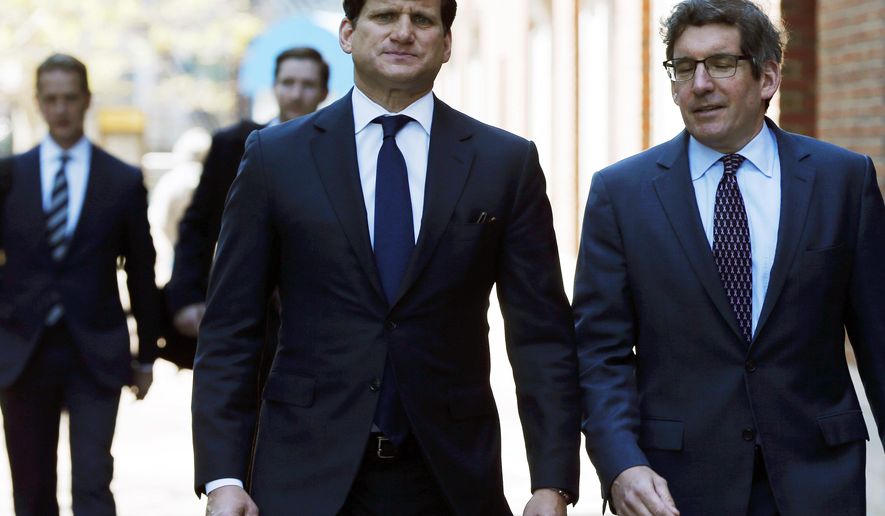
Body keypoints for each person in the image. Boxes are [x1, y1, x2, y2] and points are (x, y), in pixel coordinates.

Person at [191, 1, 581, 515]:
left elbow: (542, 337)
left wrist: (551, 483)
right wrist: (222, 478)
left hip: (449, 477)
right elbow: (229, 330)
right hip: (304, 475)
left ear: (446, 44)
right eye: (385, 16)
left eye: (422, 20)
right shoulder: (274, 158)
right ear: (348, 33)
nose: (403, 33)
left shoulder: (504, 163)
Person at [574, 0, 885, 514]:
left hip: (819, 480)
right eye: (684, 67)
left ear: (768, 78)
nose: (700, 84)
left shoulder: (842, 181)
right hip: (677, 487)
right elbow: (599, 355)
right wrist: (621, 463)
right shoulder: (621, 194)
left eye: (721, 64)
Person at [0, 53, 162, 516]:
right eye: (51, 100)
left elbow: (141, 269)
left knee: (93, 485)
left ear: (87, 100)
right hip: (22, 352)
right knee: (31, 491)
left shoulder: (122, 180)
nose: (61, 109)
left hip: (95, 350)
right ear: (38, 103)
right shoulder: (10, 176)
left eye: (70, 98)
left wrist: (147, 352)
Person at [166, 47, 330, 339]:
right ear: (274, 87)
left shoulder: (339, 153)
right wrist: (186, 298)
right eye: (288, 82)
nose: (295, 93)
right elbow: (197, 226)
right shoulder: (232, 146)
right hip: (238, 314)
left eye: (307, 85)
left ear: (323, 92)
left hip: (315, 321)